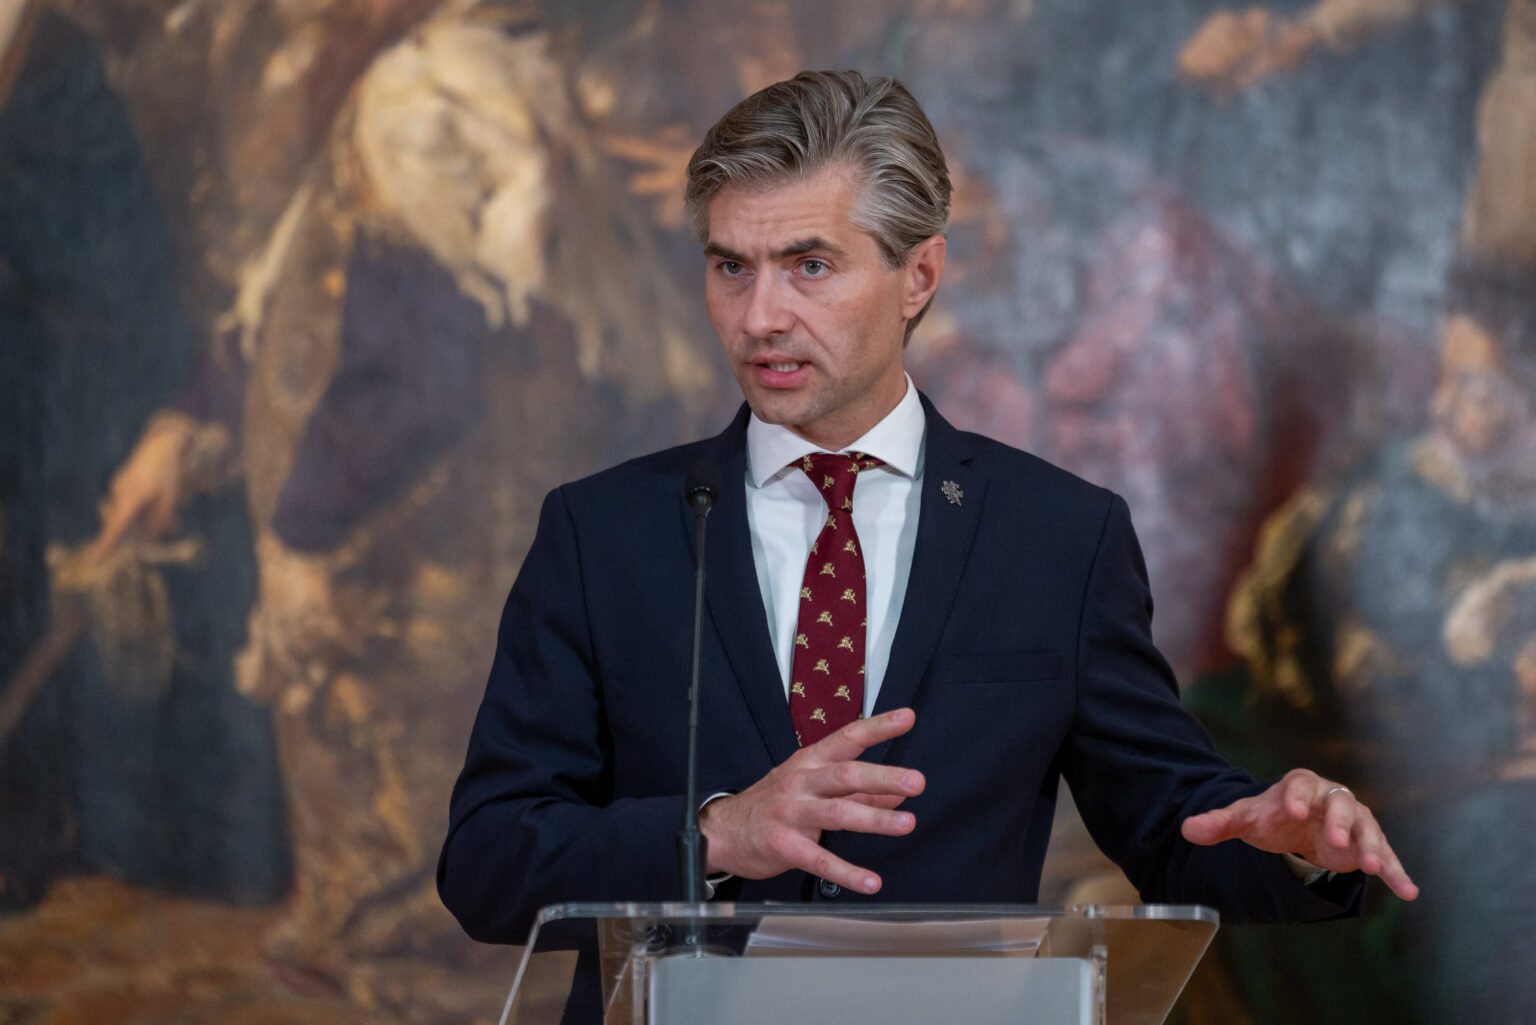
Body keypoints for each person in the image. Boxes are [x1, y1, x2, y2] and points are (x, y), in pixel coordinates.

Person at [438, 67, 1416, 969]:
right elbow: (488, 859)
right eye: (731, 267)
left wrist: (1288, 845)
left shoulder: (1057, 538)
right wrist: (713, 834)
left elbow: (1174, 827)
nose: (760, 315)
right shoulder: (601, 534)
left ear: (919, 275)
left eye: (808, 265)